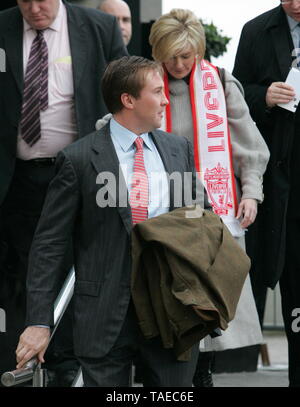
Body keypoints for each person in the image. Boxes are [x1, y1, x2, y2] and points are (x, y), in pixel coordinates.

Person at [15, 55, 204, 387]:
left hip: (171, 313)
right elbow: (49, 245)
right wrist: (39, 321)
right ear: (128, 100)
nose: (164, 100)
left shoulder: (178, 149)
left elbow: (199, 225)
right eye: (157, 92)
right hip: (103, 318)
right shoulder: (78, 160)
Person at [0, 0, 126, 385]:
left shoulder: (99, 28)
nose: (34, 9)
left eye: (42, 0)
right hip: (14, 177)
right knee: (17, 275)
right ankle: (18, 365)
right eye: (25, 1)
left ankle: (65, 367)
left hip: (77, 174)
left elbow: (125, 92)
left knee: (76, 270)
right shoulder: (3, 27)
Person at [149, 8, 270, 386]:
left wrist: (251, 193)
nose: (179, 63)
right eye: (171, 55)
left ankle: (203, 376)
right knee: (171, 299)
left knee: (213, 298)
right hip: (162, 210)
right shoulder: (145, 83)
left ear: (199, 51)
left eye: (187, 55)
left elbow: (248, 145)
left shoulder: (220, 82)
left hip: (216, 208)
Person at [233, 0, 300, 387]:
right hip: (274, 182)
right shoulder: (256, 30)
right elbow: (239, 97)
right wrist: (265, 97)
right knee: (273, 275)